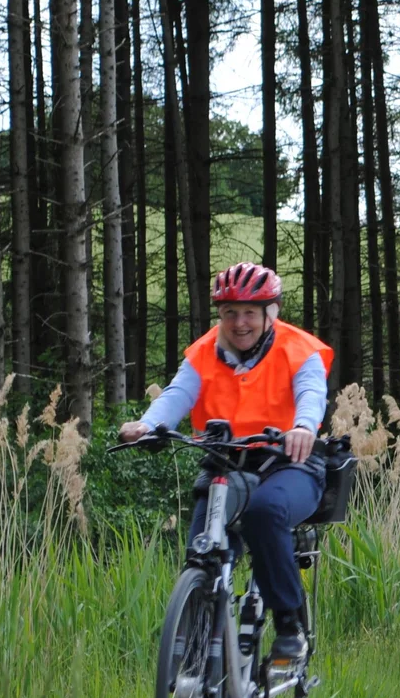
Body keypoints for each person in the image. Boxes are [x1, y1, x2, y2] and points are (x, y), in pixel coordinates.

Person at [120, 263, 332, 666]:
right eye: (230, 312)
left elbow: (310, 393)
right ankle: (200, 681)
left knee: (264, 513)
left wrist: (304, 427)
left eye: (251, 312)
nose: (240, 323)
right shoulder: (204, 353)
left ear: (272, 312)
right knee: (203, 552)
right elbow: (177, 395)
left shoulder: (299, 349)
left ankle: (290, 624)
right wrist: (148, 425)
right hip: (226, 466)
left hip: (289, 464)